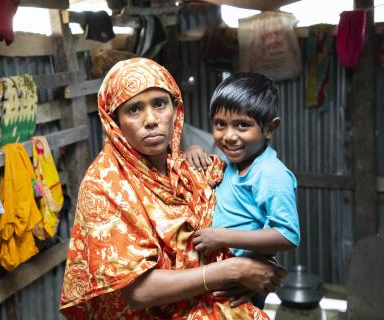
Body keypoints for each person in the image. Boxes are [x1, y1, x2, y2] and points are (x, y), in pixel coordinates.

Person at [59, 58, 286, 319]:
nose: (151, 120)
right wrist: (233, 271)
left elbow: (253, 207)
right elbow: (138, 292)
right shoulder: (104, 185)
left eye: (159, 104)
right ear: (114, 122)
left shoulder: (189, 167)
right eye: (134, 109)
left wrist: (259, 264)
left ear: (175, 109)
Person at [185, 72, 300, 309]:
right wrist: (193, 150)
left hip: (244, 280)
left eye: (242, 125)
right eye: (220, 124)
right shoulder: (229, 163)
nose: (229, 136)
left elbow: (288, 236)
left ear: (270, 128)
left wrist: (221, 236)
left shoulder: (270, 173)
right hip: (222, 272)